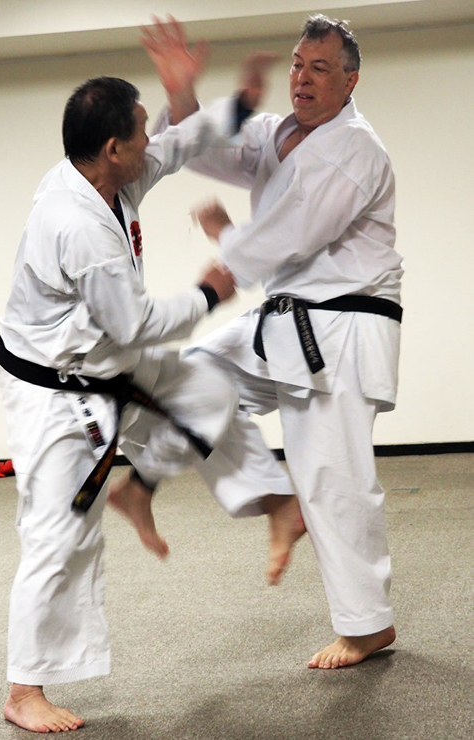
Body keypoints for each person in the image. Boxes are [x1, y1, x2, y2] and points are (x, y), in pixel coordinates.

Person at [0, 19, 303, 733]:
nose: (150, 140)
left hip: (104, 366)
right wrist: (210, 292)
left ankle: (144, 488)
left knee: (206, 388)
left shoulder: (103, 175)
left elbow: (172, 147)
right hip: (57, 393)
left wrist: (216, 101)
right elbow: (134, 324)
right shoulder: (79, 226)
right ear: (112, 149)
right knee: (58, 535)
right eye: (139, 130)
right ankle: (22, 690)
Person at [156, 13, 404, 670]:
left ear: (351, 81)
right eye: (298, 64)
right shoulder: (278, 133)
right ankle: (275, 500)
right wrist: (183, 95)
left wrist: (225, 242)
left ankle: (368, 624)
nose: (302, 78)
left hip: (344, 326)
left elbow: (294, 234)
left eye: (320, 68)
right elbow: (205, 147)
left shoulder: (356, 149)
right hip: (285, 321)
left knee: (333, 475)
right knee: (191, 378)